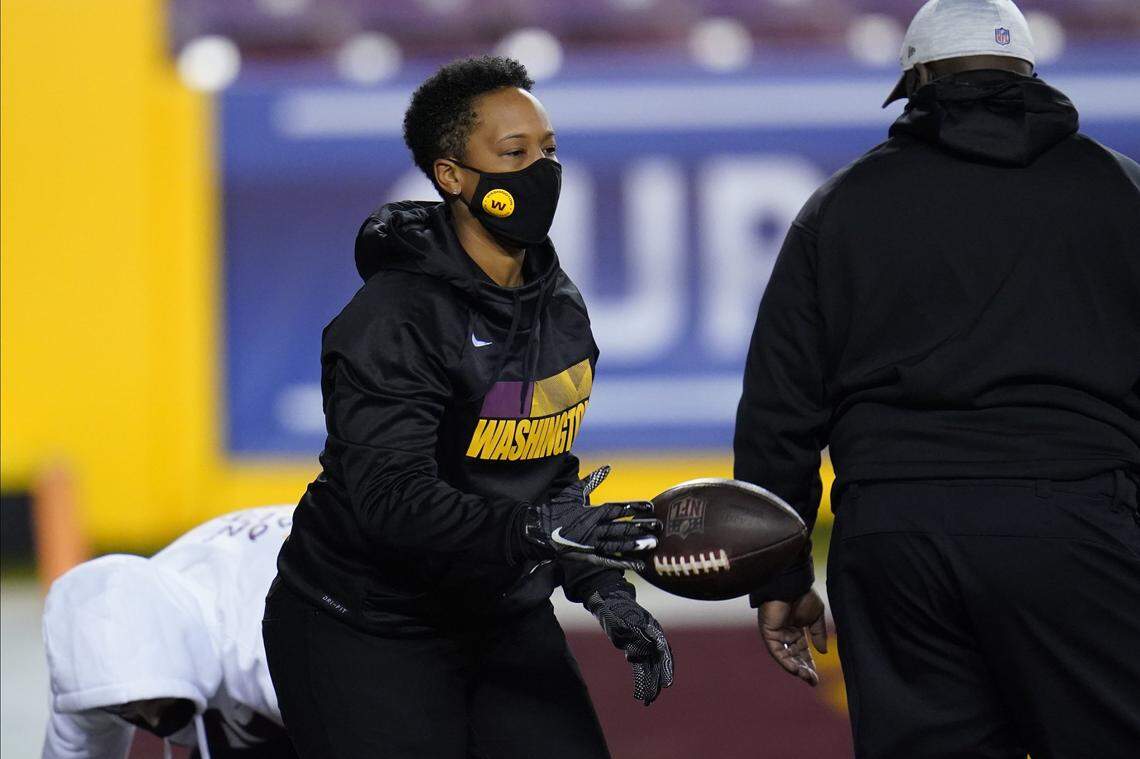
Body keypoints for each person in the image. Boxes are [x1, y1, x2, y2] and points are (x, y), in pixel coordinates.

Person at [733, 1, 1140, 757]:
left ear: (916, 80)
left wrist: (778, 576)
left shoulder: (841, 207)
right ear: (1028, 74)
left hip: (895, 540)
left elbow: (779, 412)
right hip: (1077, 527)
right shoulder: (1121, 192)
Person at [262, 55, 671, 759]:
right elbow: (391, 499)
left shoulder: (558, 300)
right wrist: (534, 532)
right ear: (451, 176)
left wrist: (602, 586)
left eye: (547, 150)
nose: (541, 170)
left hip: (496, 609)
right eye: (513, 153)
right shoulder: (393, 320)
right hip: (365, 624)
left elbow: (540, 467)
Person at [42, 506, 298, 759]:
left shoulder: (262, 648)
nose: (152, 720)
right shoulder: (90, 674)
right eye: (126, 708)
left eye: (154, 700)